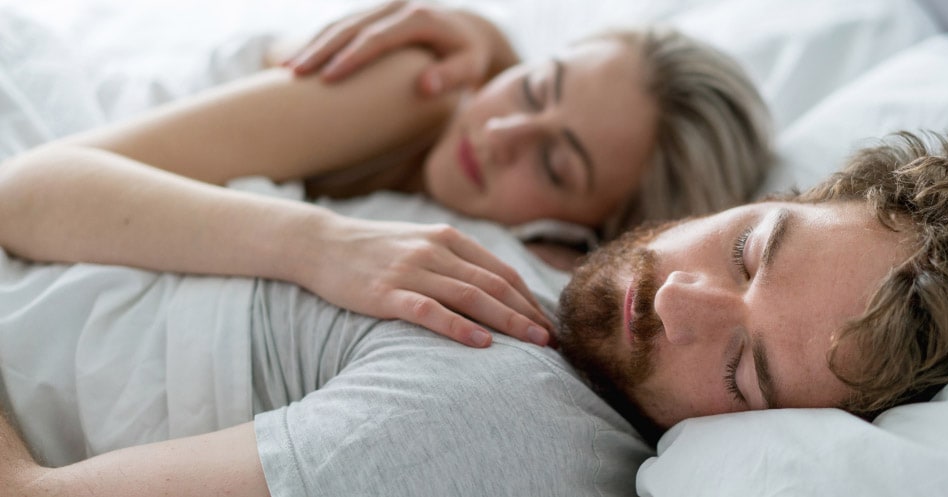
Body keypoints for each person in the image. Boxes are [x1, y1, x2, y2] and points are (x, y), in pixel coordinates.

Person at [0, 130, 948, 496]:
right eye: (747, 247)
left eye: (744, 370)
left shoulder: (493, 432)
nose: (678, 298)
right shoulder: (554, 287)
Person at [0, 2, 774, 351]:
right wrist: (319, 245)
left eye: (554, 161)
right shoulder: (412, 85)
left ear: (583, 237)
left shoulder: (514, 248)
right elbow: (26, 192)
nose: (501, 130)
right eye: (534, 85)